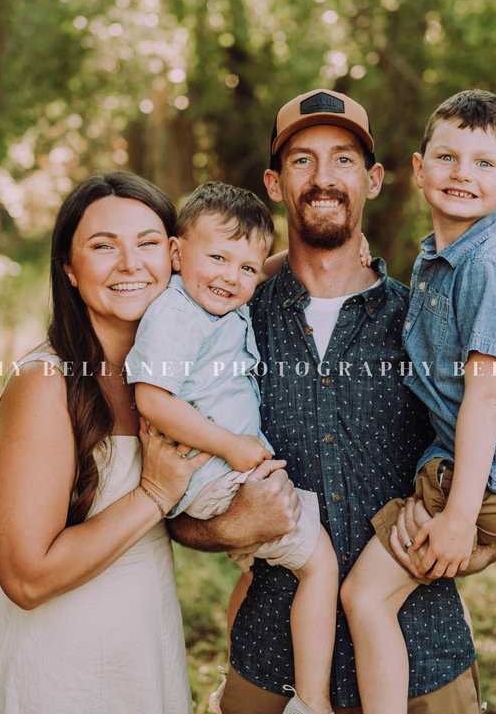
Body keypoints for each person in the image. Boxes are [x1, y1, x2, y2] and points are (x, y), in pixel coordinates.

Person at [166, 89, 496, 714]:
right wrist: (227, 526)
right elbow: (167, 491)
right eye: (302, 161)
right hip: (273, 664)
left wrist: (468, 540)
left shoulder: (424, 324)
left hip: (422, 662)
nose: (323, 178)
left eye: (344, 160)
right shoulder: (229, 326)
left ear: (376, 179)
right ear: (275, 184)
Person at [0, 171, 211, 714]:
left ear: (175, 256)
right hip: (55, 670)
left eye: (147, 243)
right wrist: (154, 496)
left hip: (142, 651)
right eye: (102, 246)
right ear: (70, 269)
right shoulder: (45, 385)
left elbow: (243, 269)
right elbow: (25, 577)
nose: (130, 264)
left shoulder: (172, 375)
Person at [340, 89, 496, 713]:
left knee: (364, 596)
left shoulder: (489, 269)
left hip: (486, 484)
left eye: (485, 163)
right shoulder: (442, 259)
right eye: (448, 156)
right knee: (391, 570)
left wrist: (459, 518)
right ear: (419, 168)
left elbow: (486, 400)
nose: (463, 173)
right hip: (462, 473)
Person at [126, 180, 339, 714]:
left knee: (258, 571)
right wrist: (233, 445)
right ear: (176, 253)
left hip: (223, 472)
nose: (231, 277)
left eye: (246, 268)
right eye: (217, 258)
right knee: (322, 566)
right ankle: (310, 703)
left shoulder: (212, 301)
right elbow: (152, 398)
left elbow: (253, 267)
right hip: (219, 473)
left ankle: (233, 670)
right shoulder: (176, 314)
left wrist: (302, 254)